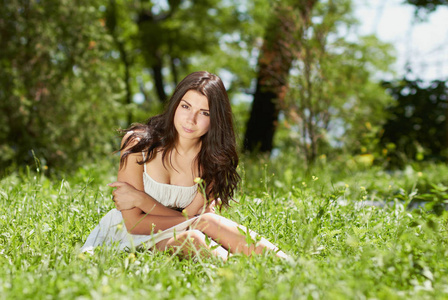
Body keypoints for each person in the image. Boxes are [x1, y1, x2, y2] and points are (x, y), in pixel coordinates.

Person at [81, 71, 287, 260]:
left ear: (216, 119)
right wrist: (194, 220)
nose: (191, 119)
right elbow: (134, 223)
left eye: (204, 113)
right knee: (199, 232)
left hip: (180, 232)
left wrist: (143, 201)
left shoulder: (213, 159)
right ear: (175, 105)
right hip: (128, 235)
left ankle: (285, 265)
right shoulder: (138, 143)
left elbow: (197, 218)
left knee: (201, 230)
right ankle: (244, 274)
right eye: (186, 106)